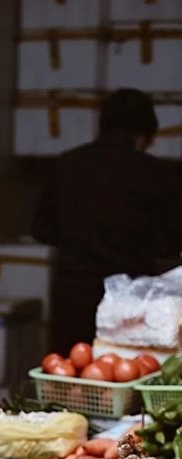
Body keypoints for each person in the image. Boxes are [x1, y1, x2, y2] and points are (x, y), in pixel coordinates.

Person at [32, 88, 182, 356]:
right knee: (125, 383)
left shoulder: (67, 165)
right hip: (130, 307)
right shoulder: (156, 174)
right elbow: (170, 243)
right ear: (144, 134)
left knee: (69, 380)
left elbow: (41, 229)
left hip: (72, 300)